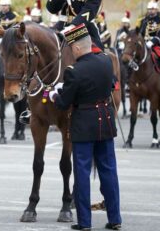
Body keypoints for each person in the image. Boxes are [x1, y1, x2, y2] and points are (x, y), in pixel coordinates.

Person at [48, 23, 122, 230]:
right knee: (109, 171)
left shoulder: (74, 71)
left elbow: (63, 103)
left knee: (82, 174)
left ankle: (85, 222)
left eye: (72, 47)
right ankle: (115, 219)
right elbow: (109, 85)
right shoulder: (107, 61)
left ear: (78, 48)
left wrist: (54, 93)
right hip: (105, 121)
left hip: (84, 125)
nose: (72, 51)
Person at [136, 0, 160, 96]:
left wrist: (151, 42)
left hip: (157, 43)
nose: (150, 11)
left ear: (156, 10)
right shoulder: (144, 20)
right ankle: (130, 82)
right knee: (132, 57)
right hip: (144, 43)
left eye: (152, 9)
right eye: (149, 9)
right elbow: (140, 33)